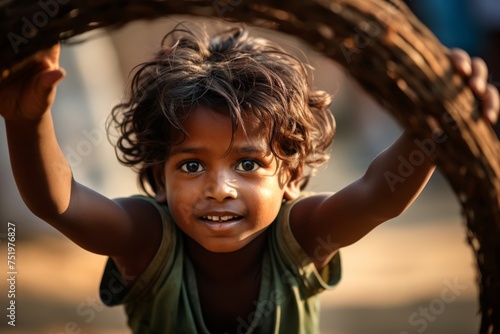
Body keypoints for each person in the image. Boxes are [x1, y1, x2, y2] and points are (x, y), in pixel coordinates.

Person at [0, 23, 498, 334]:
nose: (219, 188)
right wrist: (26, 124)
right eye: (191, 165)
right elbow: (58, 203)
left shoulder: (299, 235)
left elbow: (375, 197)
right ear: (158, 174)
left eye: (248, 163)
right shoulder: (147, 240)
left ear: (292, 177)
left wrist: (431, 133)